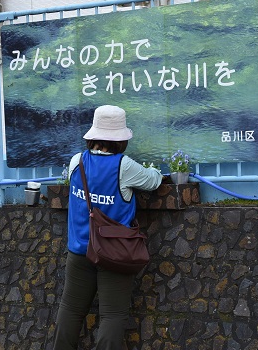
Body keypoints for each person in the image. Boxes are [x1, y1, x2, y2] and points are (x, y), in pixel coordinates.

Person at [53, 104, 165, 349]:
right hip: (113, 253)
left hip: (79, 250)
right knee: (112, 315)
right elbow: (153, 181)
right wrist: (155, 169)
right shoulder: (123, 166)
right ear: (120, 139)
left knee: (70, 309)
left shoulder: (76, 162)